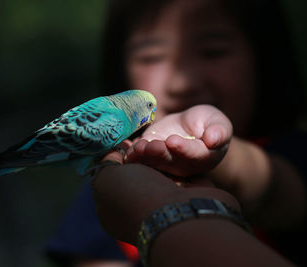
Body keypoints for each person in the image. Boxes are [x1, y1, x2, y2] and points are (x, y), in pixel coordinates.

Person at [45, 0, 307, 266]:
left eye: (213, 52)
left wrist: (207, 151)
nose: (182, 83)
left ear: (266, 57)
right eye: (151, 57)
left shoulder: (296, 155)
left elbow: (268, 184)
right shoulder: (106, 188)